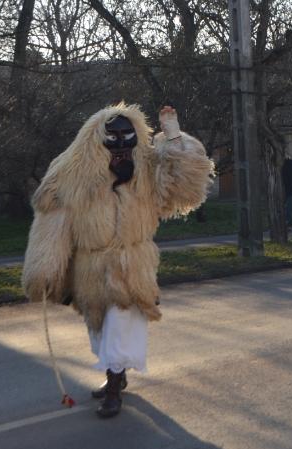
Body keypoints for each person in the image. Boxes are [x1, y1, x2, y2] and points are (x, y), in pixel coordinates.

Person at [22, 104, 213, 418]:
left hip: (133, 264)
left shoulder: (147, 168)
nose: (122, 146)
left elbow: (184, 183)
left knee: (119, 327)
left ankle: (113, 387)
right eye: (113, 138)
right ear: (97, 140)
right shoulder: (71, 173)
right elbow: (53, 222)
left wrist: (174, 135)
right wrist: (44, 268)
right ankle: (117, 372)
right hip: (90, 268)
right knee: (98, 330)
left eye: (129, 138)